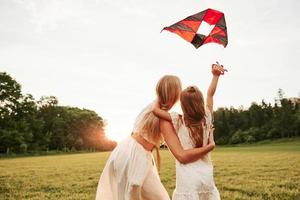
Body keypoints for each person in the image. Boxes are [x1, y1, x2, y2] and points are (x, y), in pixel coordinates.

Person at [96, 75, 215, 200]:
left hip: (130, 150)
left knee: (153, 196)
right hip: (135, 154)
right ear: (174, 94)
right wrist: (209, 145)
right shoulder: (163, 116)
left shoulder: (155, 107)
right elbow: (181, 155)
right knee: (133, 192)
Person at [154, 63, 226, 199]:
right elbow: (210, 94)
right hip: (206, 176)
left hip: (187, 178)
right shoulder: (207, 117)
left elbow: (155, 110)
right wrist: (215, 76)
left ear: (182, 105)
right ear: (200, 102)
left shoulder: (178, 120)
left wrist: (160, 95)